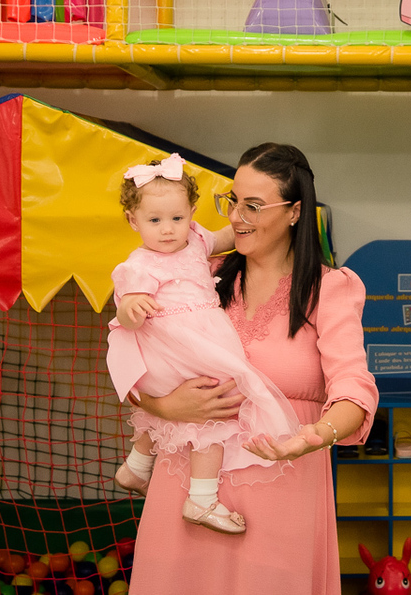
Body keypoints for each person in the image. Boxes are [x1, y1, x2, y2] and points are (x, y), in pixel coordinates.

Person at [126, 143, 379, 593]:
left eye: (253, 206)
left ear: (295, 212)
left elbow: (354, 392)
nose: (236, 217)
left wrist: (313, 436)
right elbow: (130, 361)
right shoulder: (194, 274)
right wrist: (164, 407)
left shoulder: (328, 289)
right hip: (183, 489)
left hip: (281, 484)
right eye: (232, 201)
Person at [106, 153, 315, 535]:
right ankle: (201, 499)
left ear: (191, 214)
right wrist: (131, 309)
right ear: (133, 221)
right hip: (175, 346)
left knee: (205, 402)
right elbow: (126, 311)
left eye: (177, 218)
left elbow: (229, 236)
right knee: (216, 407)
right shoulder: (138, 265)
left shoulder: (197, 242)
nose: (167, 230)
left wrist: (260, 225)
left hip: (198, 341)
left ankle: (136, 465)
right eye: (154, 221)